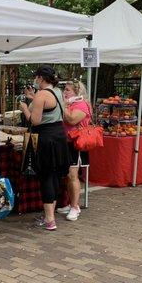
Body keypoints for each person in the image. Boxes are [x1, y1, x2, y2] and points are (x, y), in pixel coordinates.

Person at [19, 65, 70, 231]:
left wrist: (25, 108)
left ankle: (49, 220)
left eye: (36, 77)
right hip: (59, 135)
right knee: (54, 175)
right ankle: (51, 215)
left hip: (45, 138)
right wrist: (32, 98)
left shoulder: (41, 95)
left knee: (46, 176)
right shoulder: (57, 92)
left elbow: (35, 121)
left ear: (40, 78)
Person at [57, 80, 92, 221]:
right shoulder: (70, 104)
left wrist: (64, 105)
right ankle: (70, 203)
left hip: (76, 143)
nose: (64, 93)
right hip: (65, 141)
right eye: (64, 90)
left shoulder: (81, 105)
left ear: (77, 93)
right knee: (67, 175)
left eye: (67, 90)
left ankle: (75, 206)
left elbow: (71, 119)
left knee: (73, 175)